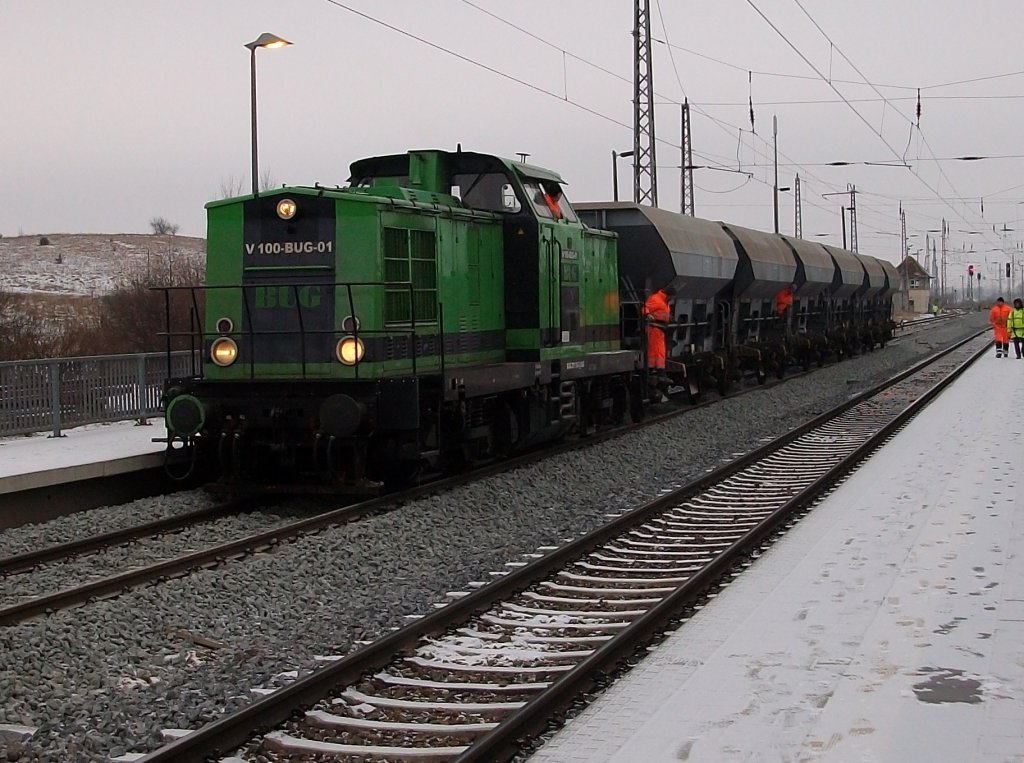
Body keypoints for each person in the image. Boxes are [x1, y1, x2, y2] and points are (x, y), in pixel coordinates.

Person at [643, 283, 676, 382]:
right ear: (669, 295)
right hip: (654, 328)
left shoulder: (664, 301)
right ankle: (654, 371)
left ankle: (659, 372)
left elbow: (661, 312)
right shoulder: (656, 299)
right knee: (655, 350)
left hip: (660, 328)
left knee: (659, 350)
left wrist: (668, 318)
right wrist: (648, 314)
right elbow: (645, 308)